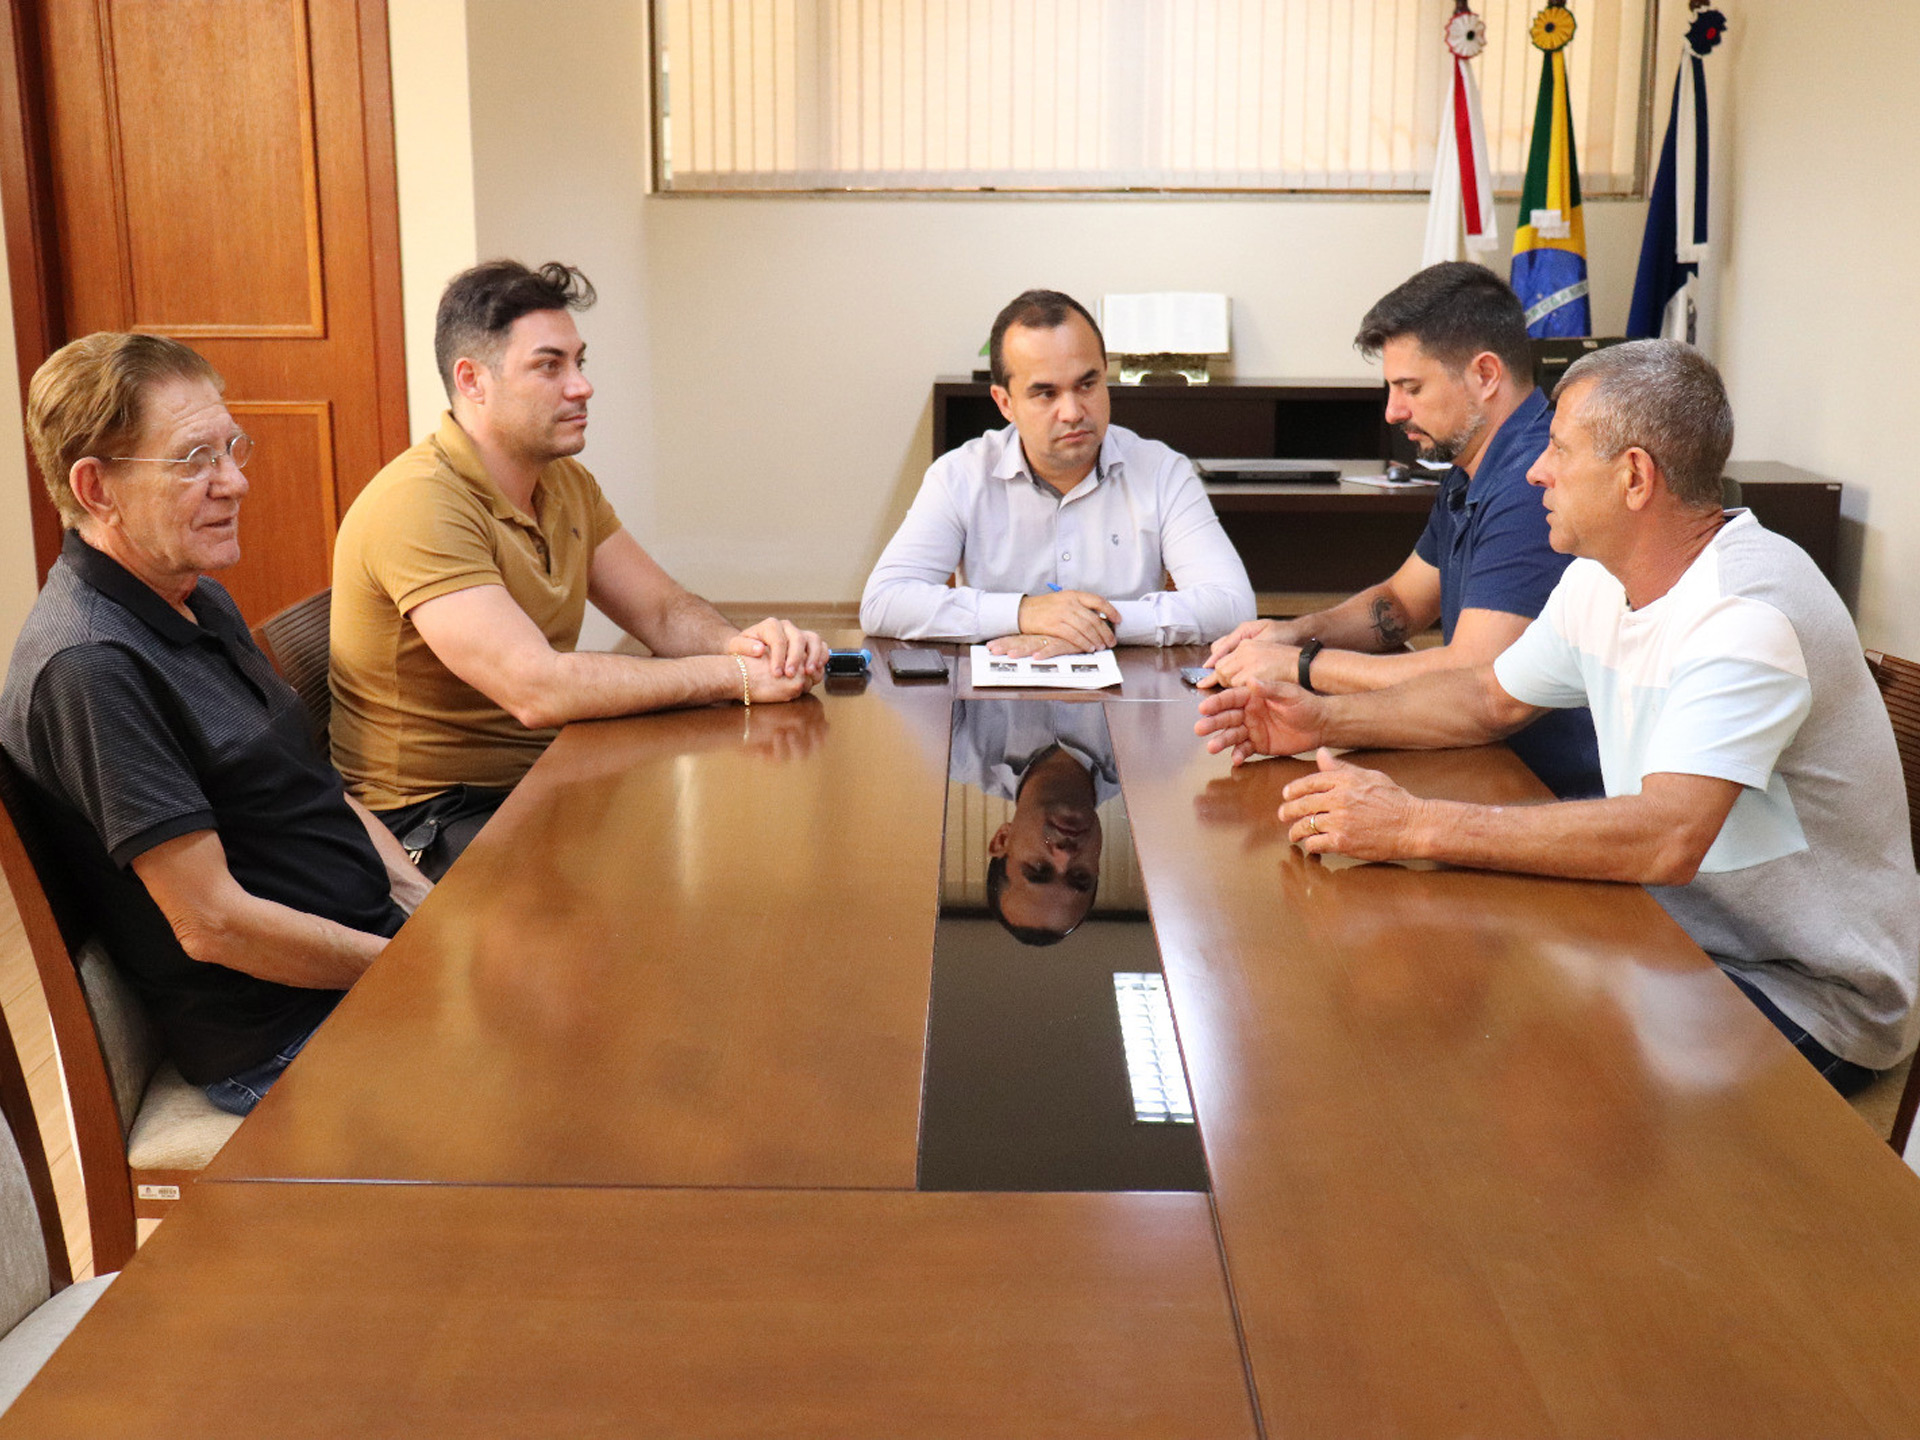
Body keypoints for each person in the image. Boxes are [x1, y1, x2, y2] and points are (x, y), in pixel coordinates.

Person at [1195, 340, 1920, 1091]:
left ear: (1634, 476)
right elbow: (1489, 697)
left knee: (1517, 1079)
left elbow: (1668, 834)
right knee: (1458, 1021)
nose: (1536, 470)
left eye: (1559, 450)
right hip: (1671, 933)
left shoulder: (1746, 613)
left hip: (1805, 989)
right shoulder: (1599, 580)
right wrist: (1324, 721)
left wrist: (1415, 825)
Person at [0, 334, 431, 1115]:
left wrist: (422, 904)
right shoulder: (92, 665)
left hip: (363, 966)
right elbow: (213, 924)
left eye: (232, 447)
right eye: (194, 458)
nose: (233, 481)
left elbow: (316, 790)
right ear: (97, 488)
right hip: (285, 1038)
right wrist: (411, 969)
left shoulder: (193, 594)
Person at [331, 261, 826, 876]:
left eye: (579, 362)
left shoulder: (562, 480)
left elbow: (661, 609)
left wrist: (749, 646)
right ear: (472, 380)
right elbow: (537, 688)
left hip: (546, 772)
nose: (581, 386)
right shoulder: (419, 503)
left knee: (730, 845)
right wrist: (734, 677)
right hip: (431, 819)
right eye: (549, 365)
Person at [1205, 262, 1601, 798]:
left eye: (1410, 387)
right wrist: (1292, 632)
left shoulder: (1534, 479)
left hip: (1552, 794)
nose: (1392, 411)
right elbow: (1402, 602)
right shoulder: (1472, 465)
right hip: (1486, 766)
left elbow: (1473, 674)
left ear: (1485, 375)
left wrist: (1301, 666)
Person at [860, 289, 1255, 655]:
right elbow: (884, 601)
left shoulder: (1162, 471)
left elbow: (1233, 606)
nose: (1073, 412)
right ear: (1005, 403)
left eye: (1087, 385)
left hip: (1127, 696)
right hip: (996, 706)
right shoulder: (960, 476)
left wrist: (1097, 625)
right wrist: (1022, 614)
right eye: (1046, 393)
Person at [948, 699, 1117, 944]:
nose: (1065, 856)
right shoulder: (1151, 756)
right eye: (1080, 876)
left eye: (1039, 869)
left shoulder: (957, 749)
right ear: (1096, 867)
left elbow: (893, 663)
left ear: (1002, 840)